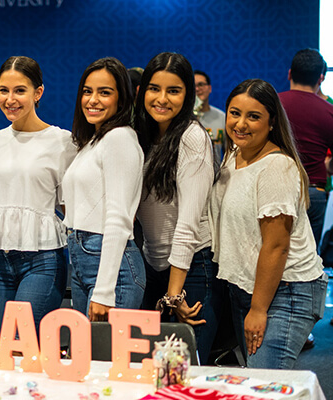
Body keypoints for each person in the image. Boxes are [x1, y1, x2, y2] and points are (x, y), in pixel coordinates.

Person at [209, 78, 328, 369]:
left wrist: (259, 309)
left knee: (265, 384)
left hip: (286, 292)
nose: (240, 124)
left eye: (254, 116)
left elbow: (276, 246)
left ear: (272, 122)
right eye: (235, 113)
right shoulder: (235, 155)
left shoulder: (277, 166)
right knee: (255, 381)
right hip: (247, 288)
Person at [0, 56, 76, 345]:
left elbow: (69, 208)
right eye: (3, 90)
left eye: (19, 90)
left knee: (20, 345)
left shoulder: (61, 141)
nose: (10, 99)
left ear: (38, 93)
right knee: (0, 349)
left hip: (42, 261)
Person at [133, 53, 220, 365]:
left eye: (174, 90)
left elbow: (188, 225)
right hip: (154, 266)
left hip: (192, 269)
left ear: (188, 95)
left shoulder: (193, 138)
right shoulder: (142, 137)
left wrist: (174, 297)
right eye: (154, 89)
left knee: (182, 372)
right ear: (142, 91)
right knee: (148, 370)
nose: (162, 99)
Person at [62, 57, 144, 322]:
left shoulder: (119, 138)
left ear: (122, 99)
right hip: (84, 260)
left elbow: (119, 218)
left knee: (105, 361)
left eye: (104, 92)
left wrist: (105, 291)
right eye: (87, 91)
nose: (93, 100)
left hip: (112, 270)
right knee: (89, 359)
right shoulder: (94, 141)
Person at [279, 49, 333, 248]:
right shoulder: (330, 112)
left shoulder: (272, 104)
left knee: (271, 251)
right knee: (307, 260)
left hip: (275, 188)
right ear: (321, 78)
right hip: (313, 191)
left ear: (290, 73)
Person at [194, 70, 226, 162]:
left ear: (209, 88)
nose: (197, 89)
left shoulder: (222, 118)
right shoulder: (182, 117)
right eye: (193, 86)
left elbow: (230, 153)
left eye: (201, 85)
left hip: (215, 173)